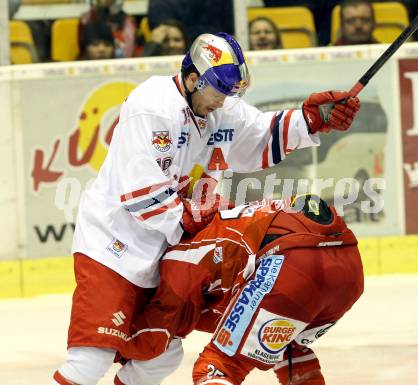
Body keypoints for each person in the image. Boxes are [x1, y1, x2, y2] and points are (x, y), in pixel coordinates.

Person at [52, 32, 360, 385]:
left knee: (160, 357)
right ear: (194, 78)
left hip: (164, 252)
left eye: (231, 93)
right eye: (219, 91)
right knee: (91, 357)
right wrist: (193, 216)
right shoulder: (152, 105)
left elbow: (259, 135)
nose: (224, 100)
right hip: (114, 246)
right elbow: (138, 190)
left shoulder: (220, 108)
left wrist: (312, 119)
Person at [115, 194, 364, 385]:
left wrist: (116, 345)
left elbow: (155, 336)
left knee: (217, 367)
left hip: (292, 264)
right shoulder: (222, 222)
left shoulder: (177, 257)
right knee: (288, 347)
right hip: (350, 269)